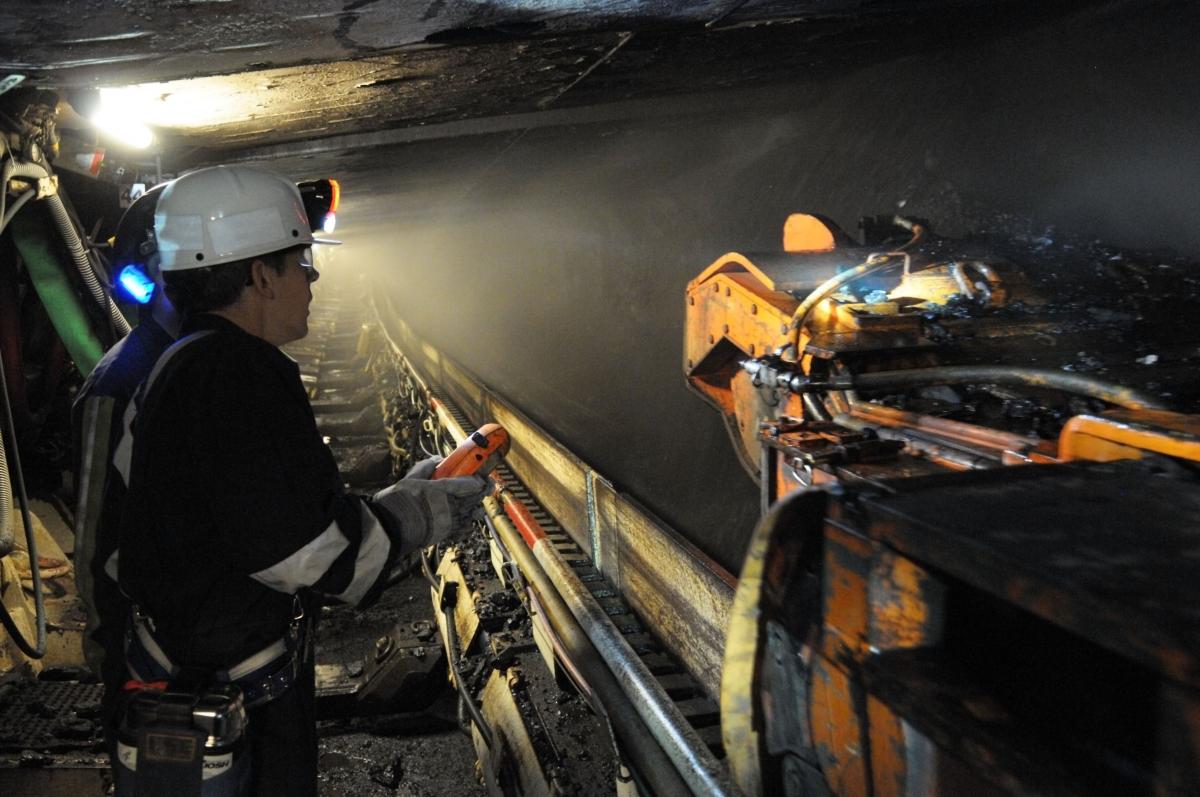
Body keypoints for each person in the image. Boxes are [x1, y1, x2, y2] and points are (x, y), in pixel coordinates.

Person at [114, 164, 488, 795]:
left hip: (188, 666)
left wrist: (389, 502)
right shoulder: (236, 377)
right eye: (302, 264)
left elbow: (247, 513)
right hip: (235, 691)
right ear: (261, 275)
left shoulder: (180, 363)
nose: (312, 283)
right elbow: (301, 553)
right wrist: (412, 517)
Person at [71, 183, 180, 758]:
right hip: (160, 662)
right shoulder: (117, 387)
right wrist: (116, 663)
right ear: (152, 273)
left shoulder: (216, 363)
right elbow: (96, 547)